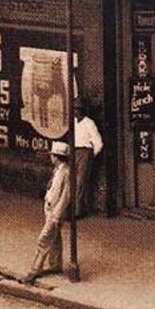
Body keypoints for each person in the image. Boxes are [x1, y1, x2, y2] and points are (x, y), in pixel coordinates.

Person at [22, 141, 71, 284]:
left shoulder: (65, 172)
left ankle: (35, 269)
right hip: (50, 208)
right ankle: (56, 265)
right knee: (54, 239)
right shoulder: (59, 170)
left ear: (56, 157)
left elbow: (65, 197)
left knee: (44, 239)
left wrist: (56, 215)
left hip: (55, 211)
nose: (51, 158)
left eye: (52, 155)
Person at [71, 100, 103, 218]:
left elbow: (98, 143)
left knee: (80, 182)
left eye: (77, 109)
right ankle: (76, 207)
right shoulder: (73, 122)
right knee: (72, 181)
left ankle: (77, 211)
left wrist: (89, 155)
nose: (75, 112)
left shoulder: (89, 123)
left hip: (85, 152)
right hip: (74, 151)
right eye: (74, 109)